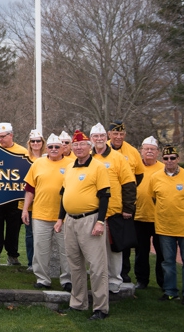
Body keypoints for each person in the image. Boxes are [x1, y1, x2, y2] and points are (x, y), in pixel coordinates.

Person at [53, 129, 111, 321]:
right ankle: (78, 303)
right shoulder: (69, 167)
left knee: (96, 266)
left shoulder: (98, 167)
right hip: (71, 220)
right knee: (75, 265)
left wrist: (101, 221)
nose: (78, 148)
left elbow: (104, 196)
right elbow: (64, 195)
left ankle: (100, 307)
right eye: (75, 144)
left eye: (82, 144)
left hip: (91, 220)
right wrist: (61, 218)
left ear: (90, 146)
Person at [151, 145, 184, 305]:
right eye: (166, 158)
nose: (169, 161)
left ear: (178, 159)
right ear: (162, 160)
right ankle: (170, 292)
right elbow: (154, 198)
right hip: (165, 227)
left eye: (172, 158)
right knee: (168, 262)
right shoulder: (155, 177)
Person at [90, 122, 136, 293]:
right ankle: (99, 278)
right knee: (95, 248)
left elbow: (129, 184)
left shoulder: (118, 158)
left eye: (102, 136)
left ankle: (115, 279)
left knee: (114, 248)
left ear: (106, 137)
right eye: (96, 136)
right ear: (92, 139)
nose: (99, 139)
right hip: (93, 211)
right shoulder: (87, 157)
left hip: (114, 211)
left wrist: (128, 207)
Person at [22, 133, 71, 291]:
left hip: (64, 216)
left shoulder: (71, 164)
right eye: (51, 147)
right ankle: (42, 279)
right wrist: (25, 209)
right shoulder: (38, 164)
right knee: (41, 249)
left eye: (57, 147)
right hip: (40, 214)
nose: (54, 149)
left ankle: (67, 280)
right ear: (47, 148)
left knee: (67, 250)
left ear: (63, 148)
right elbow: (30, 189)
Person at [108, 120, 145, 284]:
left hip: (124, 204)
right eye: (115, 133)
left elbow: (138, 176)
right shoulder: (101, 150)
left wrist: (128, 202)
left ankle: (124, 272)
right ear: (109, 134)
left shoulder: (132, 152)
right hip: (102, 204)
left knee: (123, 240)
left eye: (121, 134)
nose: (118, 136)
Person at [0, 122, 27, 267]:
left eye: (3, 137)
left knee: (13, 229)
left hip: (14, 199)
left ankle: (12, 255)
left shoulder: (23, 152)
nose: (0, 140)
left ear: (11, 135)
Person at [133, 136, 165, 290]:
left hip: (159, 218)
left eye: (152, 149)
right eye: (146, 149)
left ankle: (163, 281)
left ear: (157, 152)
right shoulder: (136, 168)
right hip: (139, 216)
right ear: (141, 151)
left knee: (162, 253)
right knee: (141, 252)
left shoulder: (164, 168)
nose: (149, 152)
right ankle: (141, 280)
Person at [22, 129, 46, 271]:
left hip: (45, 203)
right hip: (27, 203)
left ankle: (43, 263)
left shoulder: (49, 156)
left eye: (38, 141)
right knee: (30, 234)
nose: (36, 143)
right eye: (33, 141)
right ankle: (31, 262)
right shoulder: (23, 156)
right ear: (29, 143)